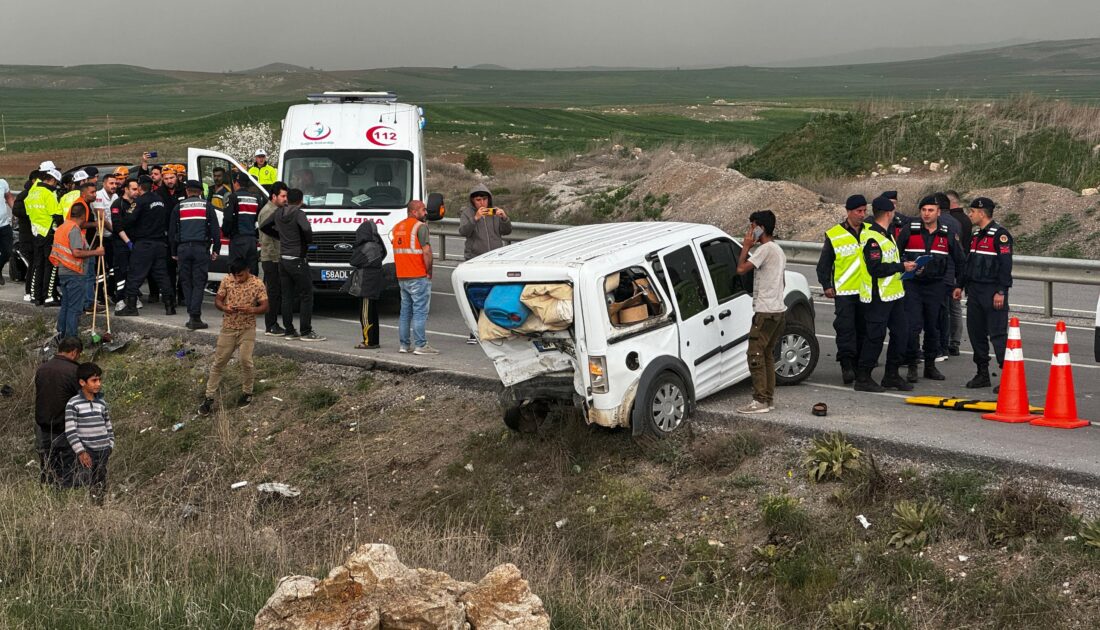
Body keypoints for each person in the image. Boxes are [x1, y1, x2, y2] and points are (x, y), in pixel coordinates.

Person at [898, 196, 965, 383]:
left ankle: (930, 366)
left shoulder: (947, 233)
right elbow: (894, 254)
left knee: (933, 328)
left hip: (936, 287)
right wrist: (903, 266)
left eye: (930, 210)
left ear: (938, 212)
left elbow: (960, 260)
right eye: (924, 210)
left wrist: (959, 284)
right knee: (912, 327)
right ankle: (912, 366)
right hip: (913, 286)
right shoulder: (909, 231)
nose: (926, 214)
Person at [855, 196, 917, 392]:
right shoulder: (872, 238)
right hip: (878, 295)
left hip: (894, 294)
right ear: (889, 213)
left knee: (901, 333)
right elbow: (875, 268)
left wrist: (908, 267)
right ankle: (863, 377)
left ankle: (891, 375)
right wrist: (901, 266)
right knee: (875, 336)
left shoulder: (887, 234)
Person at [198, 259, 269, 415]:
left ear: (248, 270)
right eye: (235, 276)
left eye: (241, 275)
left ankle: (247, 392)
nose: (237, 279)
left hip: (247, 329)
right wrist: (225, 307)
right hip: (228, 328)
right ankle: (209, 397)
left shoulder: (258, 284)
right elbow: (218, 300)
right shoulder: (226, 280)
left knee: (246, 360)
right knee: (219, 362)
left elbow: (265, 306)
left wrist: (251, 309)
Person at [956, 197, 1013, 390]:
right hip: (975, 292)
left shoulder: (1001, 235)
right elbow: (968, 264)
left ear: (981, 213)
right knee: (976, 334)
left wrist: (1001, 291)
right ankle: (982, 374)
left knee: (998, 335)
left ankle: (1008, 377)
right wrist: (959, 285)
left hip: (992, 293)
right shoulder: (976, 235)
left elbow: (1006, 267)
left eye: (972, 212)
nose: (970, 215)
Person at [735, 210, 786, 414]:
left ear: (761, 228)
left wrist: (746, 246)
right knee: (767, 356)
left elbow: (741, 269)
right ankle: (768, 398)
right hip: (778, 310)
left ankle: (760, 400)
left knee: (755, 354)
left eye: (752, 226)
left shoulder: (765, 249)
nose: (750, 231)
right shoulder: (778, 250)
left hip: (765, 311)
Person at [260, 188, 325, 341]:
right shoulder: (299, 213)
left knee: (287, 295)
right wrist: (306, 241)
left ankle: (289, 330)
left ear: (288, 199)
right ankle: (306, 331)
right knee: (306, 294)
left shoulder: (279, 212)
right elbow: (307, 229)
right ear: (301, 200)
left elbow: (263, 226)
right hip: (297, 258)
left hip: (283, 259)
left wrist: (280, 236)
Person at [816, 194, 867, 384]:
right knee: (846, 330)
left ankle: (859, 365)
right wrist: (826, 285)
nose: (862, 215)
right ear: (848, 211)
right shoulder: (835, 234)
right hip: (844, 292)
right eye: (858, 211)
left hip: (866, 291)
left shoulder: (869, 231)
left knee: (863, 329)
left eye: (864, 211)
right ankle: (846, 365)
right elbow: (824, 264)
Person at [458, 185, 512, 343]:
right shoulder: (467, 213)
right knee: (475, 296)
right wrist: (475, 219)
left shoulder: (494, 212)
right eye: (478, 200)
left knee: (494, 296)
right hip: (475, 259)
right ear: (472, 201)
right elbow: (463, 232)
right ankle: (473, 332)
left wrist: (504, 218)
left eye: (484, 199)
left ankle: (494, 330)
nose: (482, 203)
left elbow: (506, 231)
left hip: (494, 260)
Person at [117, 176, 174, 316]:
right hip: (160, 243)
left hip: (144, 244)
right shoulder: (160, 200)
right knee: (162, 275)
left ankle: (131, 307)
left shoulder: (140, 201)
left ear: (141, 187)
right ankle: (170, 305)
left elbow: (128, 219)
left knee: (135, 274)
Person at [50, 197, 105, 340]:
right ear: (83, 216)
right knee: (75, 308)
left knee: (66, 305)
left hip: (64, 272)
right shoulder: (73, 229)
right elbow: (77, 252)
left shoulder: (62, 227)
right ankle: (71, 338)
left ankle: (61, 334)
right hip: (74, 273)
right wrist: (96, 252)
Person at [170, 180, 221, 330]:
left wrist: (173, 252)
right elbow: (215, 231)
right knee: (199, 282)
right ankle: (195, 316)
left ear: (187, 191)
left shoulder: (178, 207)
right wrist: (216, 249)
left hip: (183, 249)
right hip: (200, 248)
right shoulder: (207, 206)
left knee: (186, 281)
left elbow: (172, 232)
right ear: (200, 192)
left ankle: (191, 315)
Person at [34, 336, 83, 487]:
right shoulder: (75, 371)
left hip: (43, 428)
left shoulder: (42, 369)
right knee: (67, 472)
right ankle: (64, 501)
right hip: (65, 430)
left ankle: (48, 497)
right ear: (74, 352)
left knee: (48, 468)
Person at [391, 200, 437, 355]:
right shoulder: (420, 227)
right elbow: (426, 252)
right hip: (417, 275)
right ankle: (421, 345)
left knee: (405, 312)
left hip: (402, 276)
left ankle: (404, 345)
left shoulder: (398, 227)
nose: (425, 213)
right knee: (419, 311)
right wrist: (429, 270)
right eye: (423, 210)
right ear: (414, 211)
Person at [64, 362, 114, 504]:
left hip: (103, 450)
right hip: (87, 452)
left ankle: (99, 509)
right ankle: (85, 512)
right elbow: (70, 430)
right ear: (82, 382)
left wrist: (110, 444)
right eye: (94, 380)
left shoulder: (101, 403)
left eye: (99, 380)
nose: (98, 384)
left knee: (100, 482)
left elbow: (108, 425)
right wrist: (81, 452)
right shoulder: (73, 404)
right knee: (85, 482)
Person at [344, 218, 386, 349]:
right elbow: (384, 253)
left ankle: (368, 341)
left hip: (365, 283)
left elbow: (353, 261)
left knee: (365, 314)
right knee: (373, 313)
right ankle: (375, 340)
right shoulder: (377, 245)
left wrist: (356, 246)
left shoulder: (366, 247)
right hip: (374, 281)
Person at [25, 168, 63, 306]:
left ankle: (36, 295)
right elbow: (57, 213)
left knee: (37, 263)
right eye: (56, 183)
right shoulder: (49, 193)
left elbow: (28, 211)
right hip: (49, 231)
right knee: (51, 264)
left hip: (36, 231)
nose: (56, 186)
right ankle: (48, 296)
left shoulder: (33, 191)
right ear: (52, 180)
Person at [944, 190, 972, 356]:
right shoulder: (965, 219)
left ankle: (949, 341)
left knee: (949, 307)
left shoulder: (951, 221)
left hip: (953, 268)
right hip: (961, 267)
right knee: (955, 308)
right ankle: (954, 341)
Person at [258, 181, 287, 336]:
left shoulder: (276, 209)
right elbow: (268, 236)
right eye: (282, 196)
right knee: (273, 292)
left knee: (275, 291)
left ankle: (273, 323)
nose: (285, 199)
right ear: (274, 196)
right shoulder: (269, 211)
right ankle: (271, 325)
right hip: (271, 257)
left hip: (275, 256)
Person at [109, 178, 140, 308]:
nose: (136, 192)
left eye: (137, 189)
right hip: (121, 243)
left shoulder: (138, 203)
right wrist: (128, 242)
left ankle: (133, 297)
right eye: (133, 189)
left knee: (134, 271)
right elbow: (117, 226)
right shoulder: (117, 204)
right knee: (121, 271)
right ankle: (120, 299)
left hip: (136, 242)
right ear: (126, 189)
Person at [223, 172, 261, 273]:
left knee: (236, 272)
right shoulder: (255, 199)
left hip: (238, 240)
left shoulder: (233, 197)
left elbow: (227, 218)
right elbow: (258, 220)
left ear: (236, 183)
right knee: (252, 273)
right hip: (252, 241)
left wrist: (226, 232)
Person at [0, 176, 12, 286]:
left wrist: (15, 209)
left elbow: (8, 197)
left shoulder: (3, 183)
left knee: (8, 251)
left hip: (4, 224)